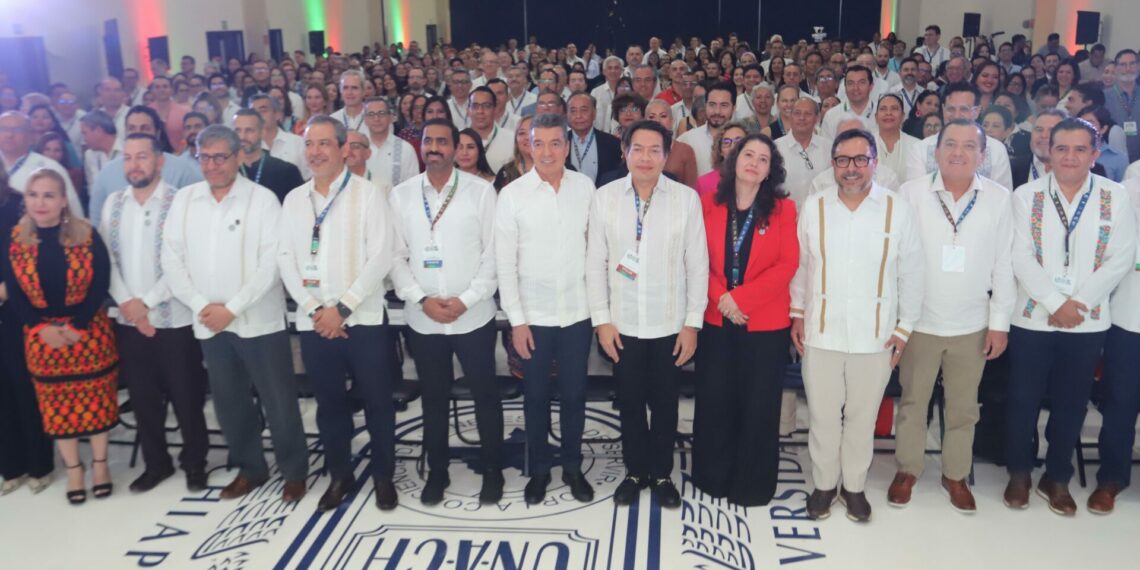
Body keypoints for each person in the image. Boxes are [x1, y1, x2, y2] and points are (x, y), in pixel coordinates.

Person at [161, 125, 309, 504]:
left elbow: (271, 263)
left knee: (278, 400)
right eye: (204, 157)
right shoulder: (185, 200)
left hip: (257, 320)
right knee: (229, 402)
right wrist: (201, 306)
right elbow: (171, 259)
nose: (212, 165)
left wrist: (233, 308)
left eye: (220, 157)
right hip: (209, 322)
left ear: (238, 155)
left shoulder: (261, 200)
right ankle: (250, 468)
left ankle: (294, 471)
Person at [1004, 118, 1136, 516]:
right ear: (1048, 151)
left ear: (1095, 154)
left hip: (1087, 319)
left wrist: (1077, 302)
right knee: (1022, 399)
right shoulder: (1026, 196)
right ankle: (1020, 471)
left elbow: (1122, 257)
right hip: (1031, 316)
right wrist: (1052, 301)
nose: (1070, 157)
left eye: (1080, 149)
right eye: (1062, 148)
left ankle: (1056, 475)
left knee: (1072, 402)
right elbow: (1019, 255)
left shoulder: (1116, 195)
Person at [791, 129, 924, 523]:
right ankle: (824, 484)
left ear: (874, 163)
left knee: (863, 417)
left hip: (877, 334)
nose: (851, 169)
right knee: (823, 414)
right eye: (842, 160)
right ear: (832, 164)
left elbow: (912, 272)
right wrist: (797, 313)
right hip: (821, 330)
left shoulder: (896, 210)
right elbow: (801, 267)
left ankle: (854, 486)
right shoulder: (813, 207)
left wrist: (904, 329)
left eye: (860, 159)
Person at [889, 120, 1016, 513]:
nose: (958, 153)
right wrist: (898, 322)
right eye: (950, 145)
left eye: (968, 146)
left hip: (972, 324)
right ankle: (908, 469)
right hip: (920, 322)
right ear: (936, 151)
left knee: (964, 407)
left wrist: (999, 323)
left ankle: (955, 474)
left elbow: (1003, 265)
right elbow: (895, 260)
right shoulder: (909, 194)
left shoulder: (998, 198)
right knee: (913, 401)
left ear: (983, 155)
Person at [277, 115, 398, 513]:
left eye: (324, 143)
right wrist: (316, 311)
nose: (315, 152)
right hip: (315, 325)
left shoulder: (368, 194)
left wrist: (342, 309)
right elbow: (285, 259)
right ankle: (340, 475)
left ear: (344, 148)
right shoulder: (295, 199)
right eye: (310, 144)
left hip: (361, 321)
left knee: (378, 402)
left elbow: (381, 256)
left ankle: (383, 476)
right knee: (329, 406)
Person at [586, 120, 709, 508]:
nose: (645, 157)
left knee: (666, 404)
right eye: (636, 149)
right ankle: (635, 471)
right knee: (630, 401)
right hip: (622, 324)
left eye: (654, 149)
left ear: (666, 153)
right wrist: (601, 321)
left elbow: (698, 265)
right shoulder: (604, 197)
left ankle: (660, 473)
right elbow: (595, 263)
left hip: (669, 324)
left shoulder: (686, 199)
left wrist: (692, 324)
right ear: (624, 152)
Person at [389, 119, 503, 505]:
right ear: (420, 147)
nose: (434, 147)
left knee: (485, 396)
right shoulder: (402, 195)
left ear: (456, 148)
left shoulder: (481, 192)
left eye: (442, 141)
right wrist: (421, 299)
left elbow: (494, 254)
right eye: (428, 141)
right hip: (424, 318)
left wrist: (466, 300)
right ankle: (436, 472)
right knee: (434, 399)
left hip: (472, 316)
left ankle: (493, 470)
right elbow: (396, 256)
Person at [99, 133, 209, 493]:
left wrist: (145, 303)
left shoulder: (181, 203)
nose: (135, 164)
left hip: (174, 319)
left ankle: (195, 462)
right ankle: (156, 464)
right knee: (143, 398)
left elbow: (183, 264)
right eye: (128, 158)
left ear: (159, 161)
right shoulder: (113, 204)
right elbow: (108, 263)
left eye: (142, 156)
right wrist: (130, 305)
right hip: (129, 320)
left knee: (186, 395)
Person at [495, 113, 596, 505]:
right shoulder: (512, 195)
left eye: (556, 143)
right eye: (540, 143)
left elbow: (597, 250)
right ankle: (538, 471)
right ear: (529, 146)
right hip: (532, 319)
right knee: (535, 397)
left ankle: (572, 468)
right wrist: (517, 321)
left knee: (574, 395)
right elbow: (506, 265)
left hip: (577, 313)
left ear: (567, 147)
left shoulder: (586, 189)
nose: (548, 151)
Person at [1, 168, 118, 505]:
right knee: (57, 408)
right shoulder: (16, 239)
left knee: (96, 404)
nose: (41, 202)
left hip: (88, 333)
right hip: (42, 339)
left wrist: (76, 326)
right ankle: (74, 470)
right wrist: (42, 329)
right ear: (25, 199)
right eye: (34, 195)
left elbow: (100, 284)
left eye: (49, 195)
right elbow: (17, 296)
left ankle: (99, 466)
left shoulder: (86, 234)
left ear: (63, 200)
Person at [693, 133, 797, 506]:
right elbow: (694, 259)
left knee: (758, 405)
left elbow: (787, 264)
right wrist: (721, 297)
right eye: (747, 154)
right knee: (715, 399)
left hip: (764, 323)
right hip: (716, 319)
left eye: (763, 159)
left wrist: (741, 298)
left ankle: (751, 485)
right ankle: (712, 477)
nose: (754, 162)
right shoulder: (706, 204)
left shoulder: (784, 209)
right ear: (733, 160)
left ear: (771, 170)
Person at [0, 168, 54, 496]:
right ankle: (10, 466)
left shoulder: (19, 204)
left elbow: (27, 256)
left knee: (24, 388)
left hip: (16, 307)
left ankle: (39, 464)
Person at [1090, 170, 1140, 514]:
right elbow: (1112, 250)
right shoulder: (1130, 190)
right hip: (1130, 314)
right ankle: (1112, 477)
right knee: (1121, 400)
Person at [87, 106, 203, 223]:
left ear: (157, 133)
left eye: (145, 128)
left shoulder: (182, 170)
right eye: (132, 129)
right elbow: (97, 223)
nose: (138, 134)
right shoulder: (106, 174)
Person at [909, 83, 1014, 191]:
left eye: (964, 109)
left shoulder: (996, 149)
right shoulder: (920, 148)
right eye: (951, 109)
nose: (956, 115)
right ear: (943, 109)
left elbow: (1002, 197)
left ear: (977, 111)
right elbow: (915, 194)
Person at [0, 112, 84, 218]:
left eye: (17, 130)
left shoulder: (51, 168)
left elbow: (73, 210)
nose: (9, 135)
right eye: (3, 129)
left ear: (31, 136)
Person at [230, 108, 304, 204]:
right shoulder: (225, 173)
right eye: (237, 130)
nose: (242, 136)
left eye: (249, 130)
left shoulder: (287, 172)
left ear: (262, 133)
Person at [776, 98, 832, 207]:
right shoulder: (775, 148)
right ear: (790, 116)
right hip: (784, 217)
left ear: (817, 118)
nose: (802, 118)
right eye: (797, 113)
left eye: (808, 114)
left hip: (819, 216)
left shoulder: (829, 148)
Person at [679, 82, 736, 176]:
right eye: (712, 105)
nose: (717, 111)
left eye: (724, 105)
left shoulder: (745, 140)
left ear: (734, 108)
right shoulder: (688, 139)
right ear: (705, 106)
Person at [566, 92, 622, 185]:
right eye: (573, 111)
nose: (578, 116)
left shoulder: (613, 144)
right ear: (567, 115)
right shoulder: (560, 142)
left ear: (594, 113)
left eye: (584, 110)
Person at [362, 96, 420, 187]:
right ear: (365, 119)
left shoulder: (406, 149)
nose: (376, 118)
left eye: (381, 113)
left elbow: (413, 186)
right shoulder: (358, 148)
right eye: (371, 114)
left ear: (390, 117)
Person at [249, 94, 309, 179]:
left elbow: (309, 177)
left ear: (278, 114)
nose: (258, 116)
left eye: (263, 110)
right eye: (253, 112)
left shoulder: (297, 143)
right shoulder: (248, 147)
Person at [645, 99, 698, 188]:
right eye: (651, 117)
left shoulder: (685, 151)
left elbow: (691, 188)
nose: (657, 121)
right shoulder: (637, 149)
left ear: (672, 121)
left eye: (663, 116)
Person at [874, 93, 923, 183]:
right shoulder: (864, 146)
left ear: (903, 116)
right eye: (883, 109)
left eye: (894, 109)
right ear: (876, 117)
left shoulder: (917, 146)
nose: (888, 113)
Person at [1104, 49, 1140, 163]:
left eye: (1132, 64)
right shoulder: (1104, 97)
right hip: (1113, 161)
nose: (1128, 69)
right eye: (1123, 64)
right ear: (1116, 68)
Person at [467, 86, 514, 173]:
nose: (480, 111)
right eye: (475, 106)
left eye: (486, 106)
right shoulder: (458, 139)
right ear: (468, 110)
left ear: (495, 109)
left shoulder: (511, 140)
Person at [821, 66, 877, 138]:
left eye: (861, 83)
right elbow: (826, 147)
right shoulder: (831, 115)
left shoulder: (881, 112)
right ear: (845, 86)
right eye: (850, 83)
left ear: (871, 86)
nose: (856, 88)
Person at [696, 122, 748, 196]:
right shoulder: (704, 183)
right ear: (720, 151)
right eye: (726, 142)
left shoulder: (756, 178)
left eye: (738, 141)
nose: (733, 147)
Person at [147, 76, 191, 153]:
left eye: (165, 86)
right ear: (152, 91)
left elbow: (189, 135)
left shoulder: (184, 111)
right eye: (157, 87)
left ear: (171, 90)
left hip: (180, 155)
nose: (161, 90)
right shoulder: (146, 112)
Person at [493, 115, 533, 190]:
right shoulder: (506, 172)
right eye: (522, 133)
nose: (527, 137)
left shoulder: (555, 169)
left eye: (532, 131)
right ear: (516, 141)